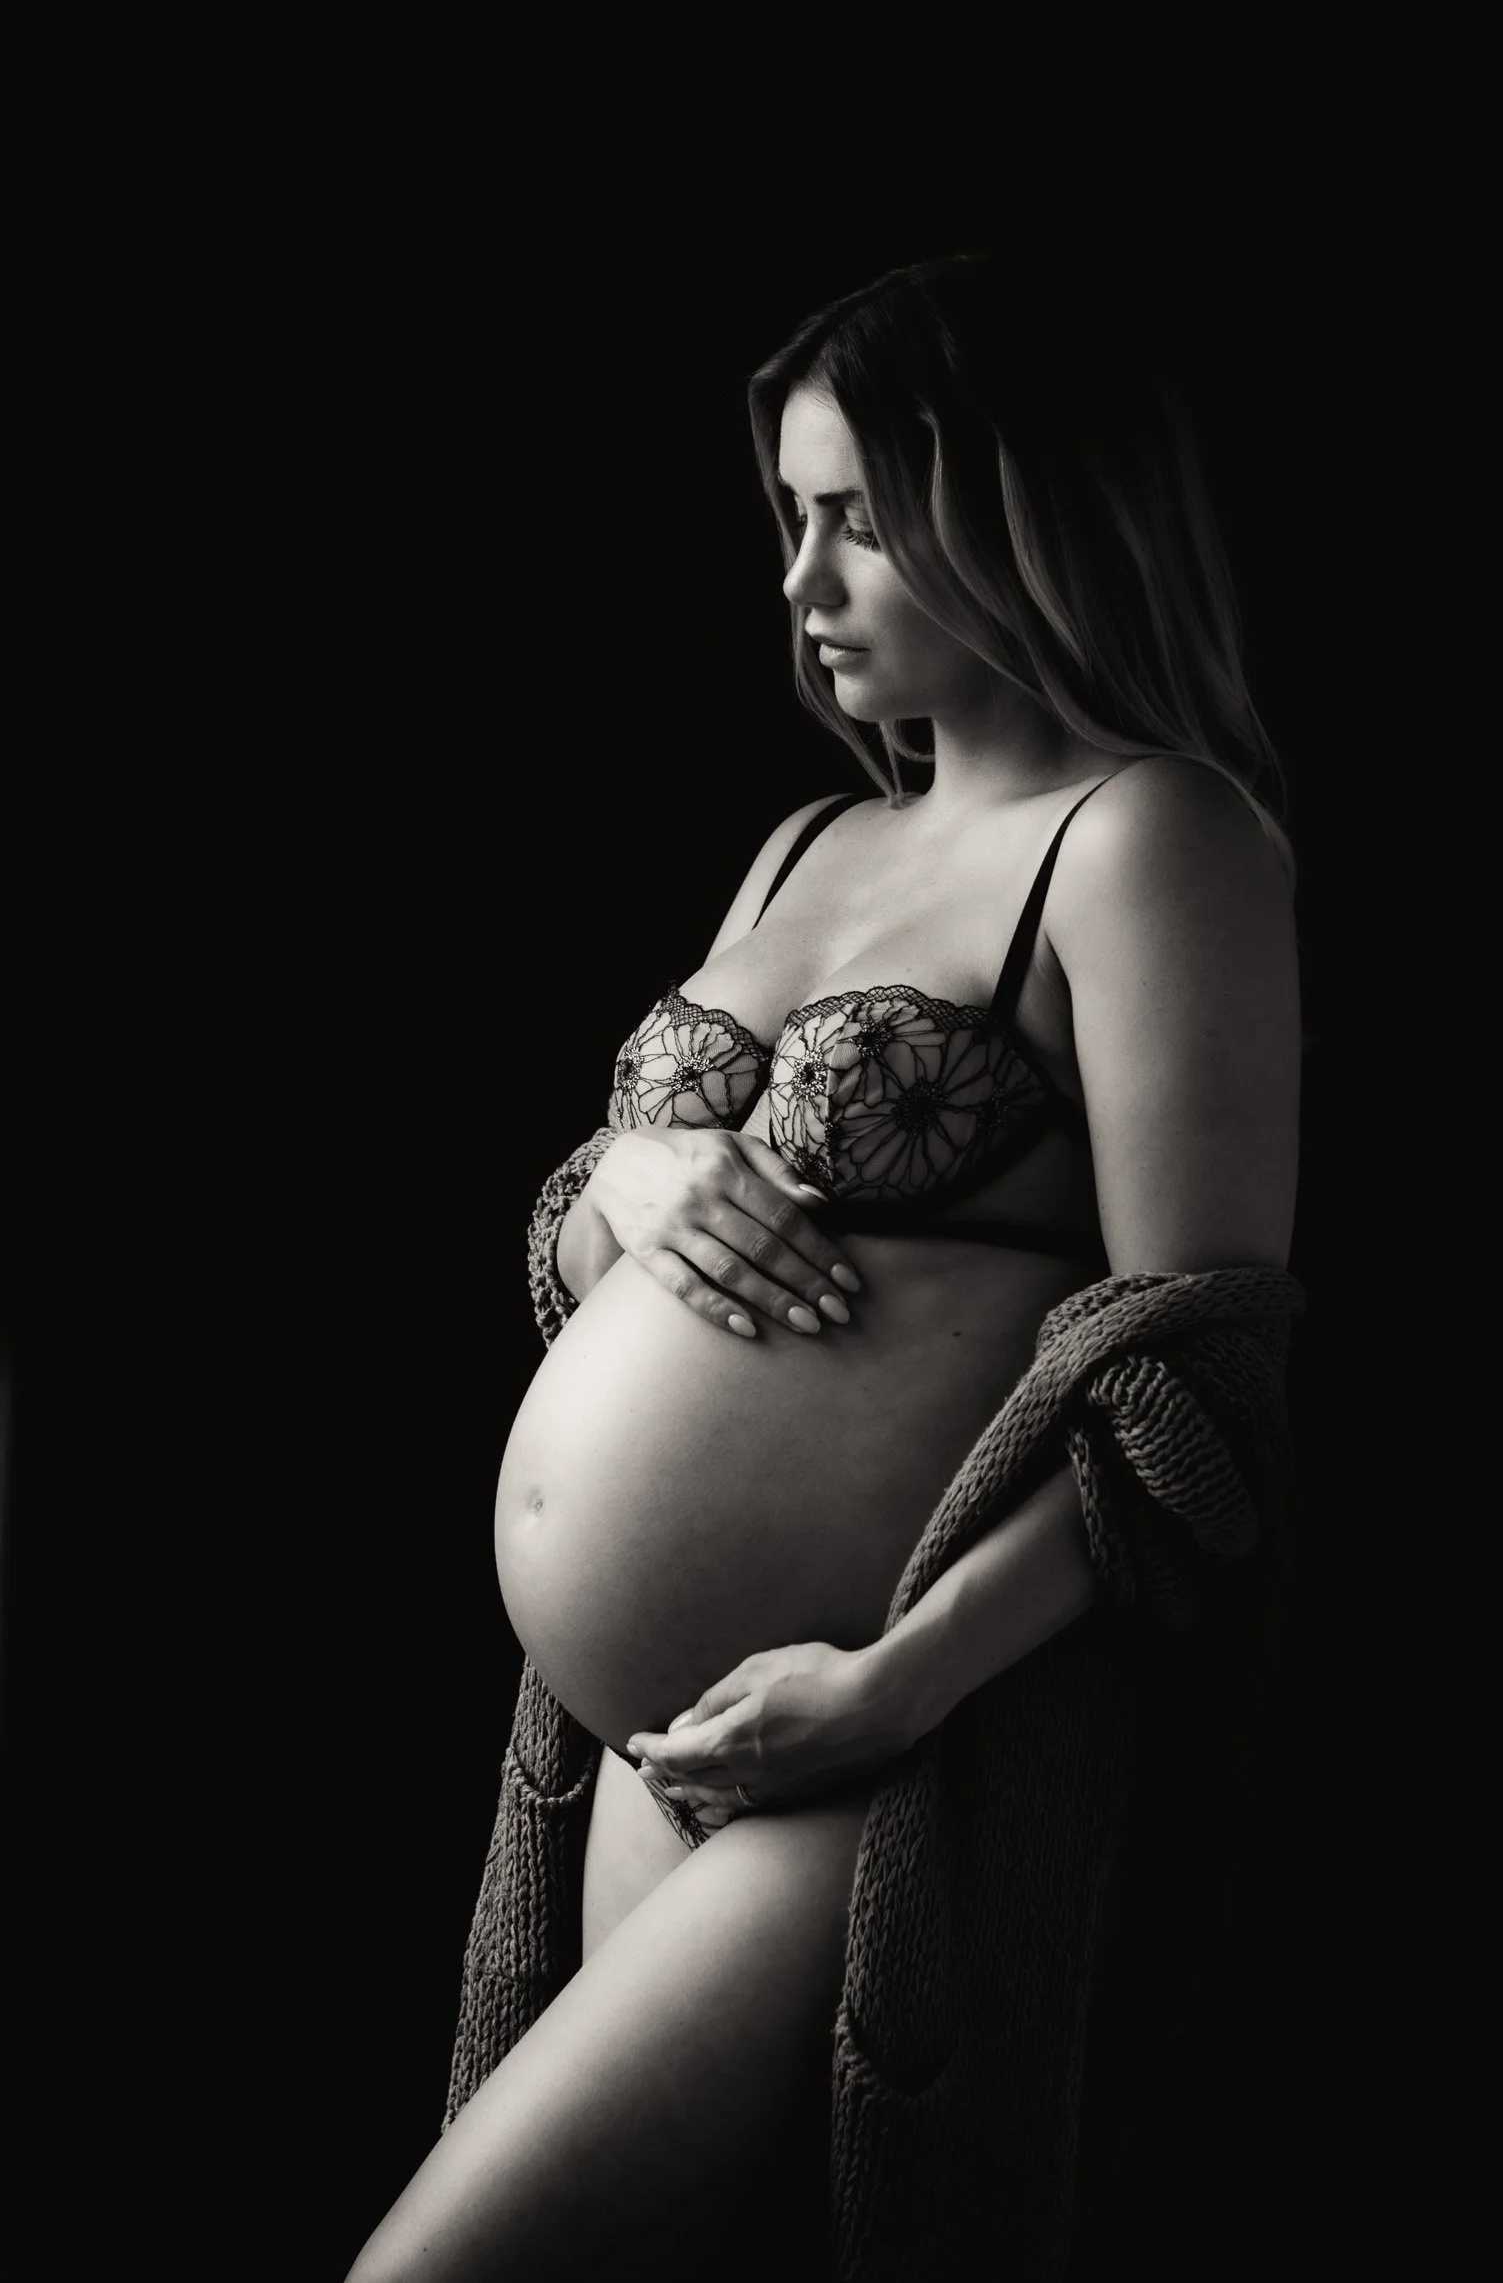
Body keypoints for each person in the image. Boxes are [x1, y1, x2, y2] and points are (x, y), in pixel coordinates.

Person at [348, 251, 1303, 2281]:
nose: (802, 577)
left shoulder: (1152, 840)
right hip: (645, 1735)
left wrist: (886, 1685)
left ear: (1022, 510)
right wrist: (640, 1158)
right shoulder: (799, 847)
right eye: (793, 517)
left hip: (881, 1734)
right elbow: (615, 1245)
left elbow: (1199, 1378)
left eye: (856, 517)